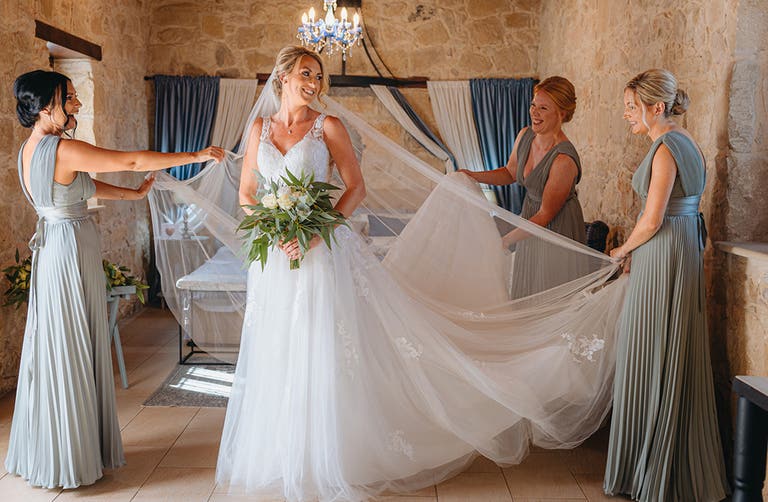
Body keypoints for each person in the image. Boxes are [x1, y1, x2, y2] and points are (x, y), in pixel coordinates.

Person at [6, 69, 224, 489]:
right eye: (70, 98)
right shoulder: (60, 148)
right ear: (47, 104)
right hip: (69, 250)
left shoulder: (27, 150)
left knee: (58, 344)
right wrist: (194, 156)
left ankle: (55, 449)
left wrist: (134, 195)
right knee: (72, 344)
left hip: (55, 250)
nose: (77, 104)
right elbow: (130, 160)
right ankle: (70, 455)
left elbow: (79, 189)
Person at [603, 69, 729, 501]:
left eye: (631, 108)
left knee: (645, 345)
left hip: (663, 252)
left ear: (656, 107)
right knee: (669, 347)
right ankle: (667, 463)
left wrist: (621, 252)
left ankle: (648, 467)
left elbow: (653, 219)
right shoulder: (689, 141)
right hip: (683, 249)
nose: (626, 116)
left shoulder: (664, 149)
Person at [459, 76, 586, 297]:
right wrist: (473, 176)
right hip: (530, 219)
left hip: (556, 228)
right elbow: (509, 172)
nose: (534, 112)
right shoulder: (525, 135)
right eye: (533, 105)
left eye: (543, 108)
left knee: (548, 292)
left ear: (562, 113)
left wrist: (506, 240)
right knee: (527, 287)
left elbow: (546, 214)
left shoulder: (564, 160)